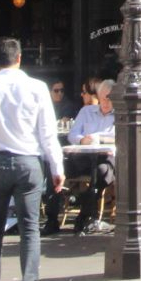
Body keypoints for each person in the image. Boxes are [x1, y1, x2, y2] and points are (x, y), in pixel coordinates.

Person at [0, 37, 64, 281]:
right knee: (30, 229)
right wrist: (57, 168)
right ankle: (29, 278)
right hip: (28, 162)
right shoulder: (37, 87)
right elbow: (47, 133)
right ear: (20, 58)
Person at [49, 79, 115, 234]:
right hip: (82, 157)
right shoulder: (86, 112)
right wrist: (82, 139)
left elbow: (119, 136)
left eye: (110, 98)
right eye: (103, 97)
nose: (106, 101)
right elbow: (72, 134)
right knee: (53, 168)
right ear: (98, 96)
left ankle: (84, 214)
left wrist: (98, 137)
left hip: (105, 158)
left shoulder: (120, 114)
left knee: (102, 172)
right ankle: (51, 219)